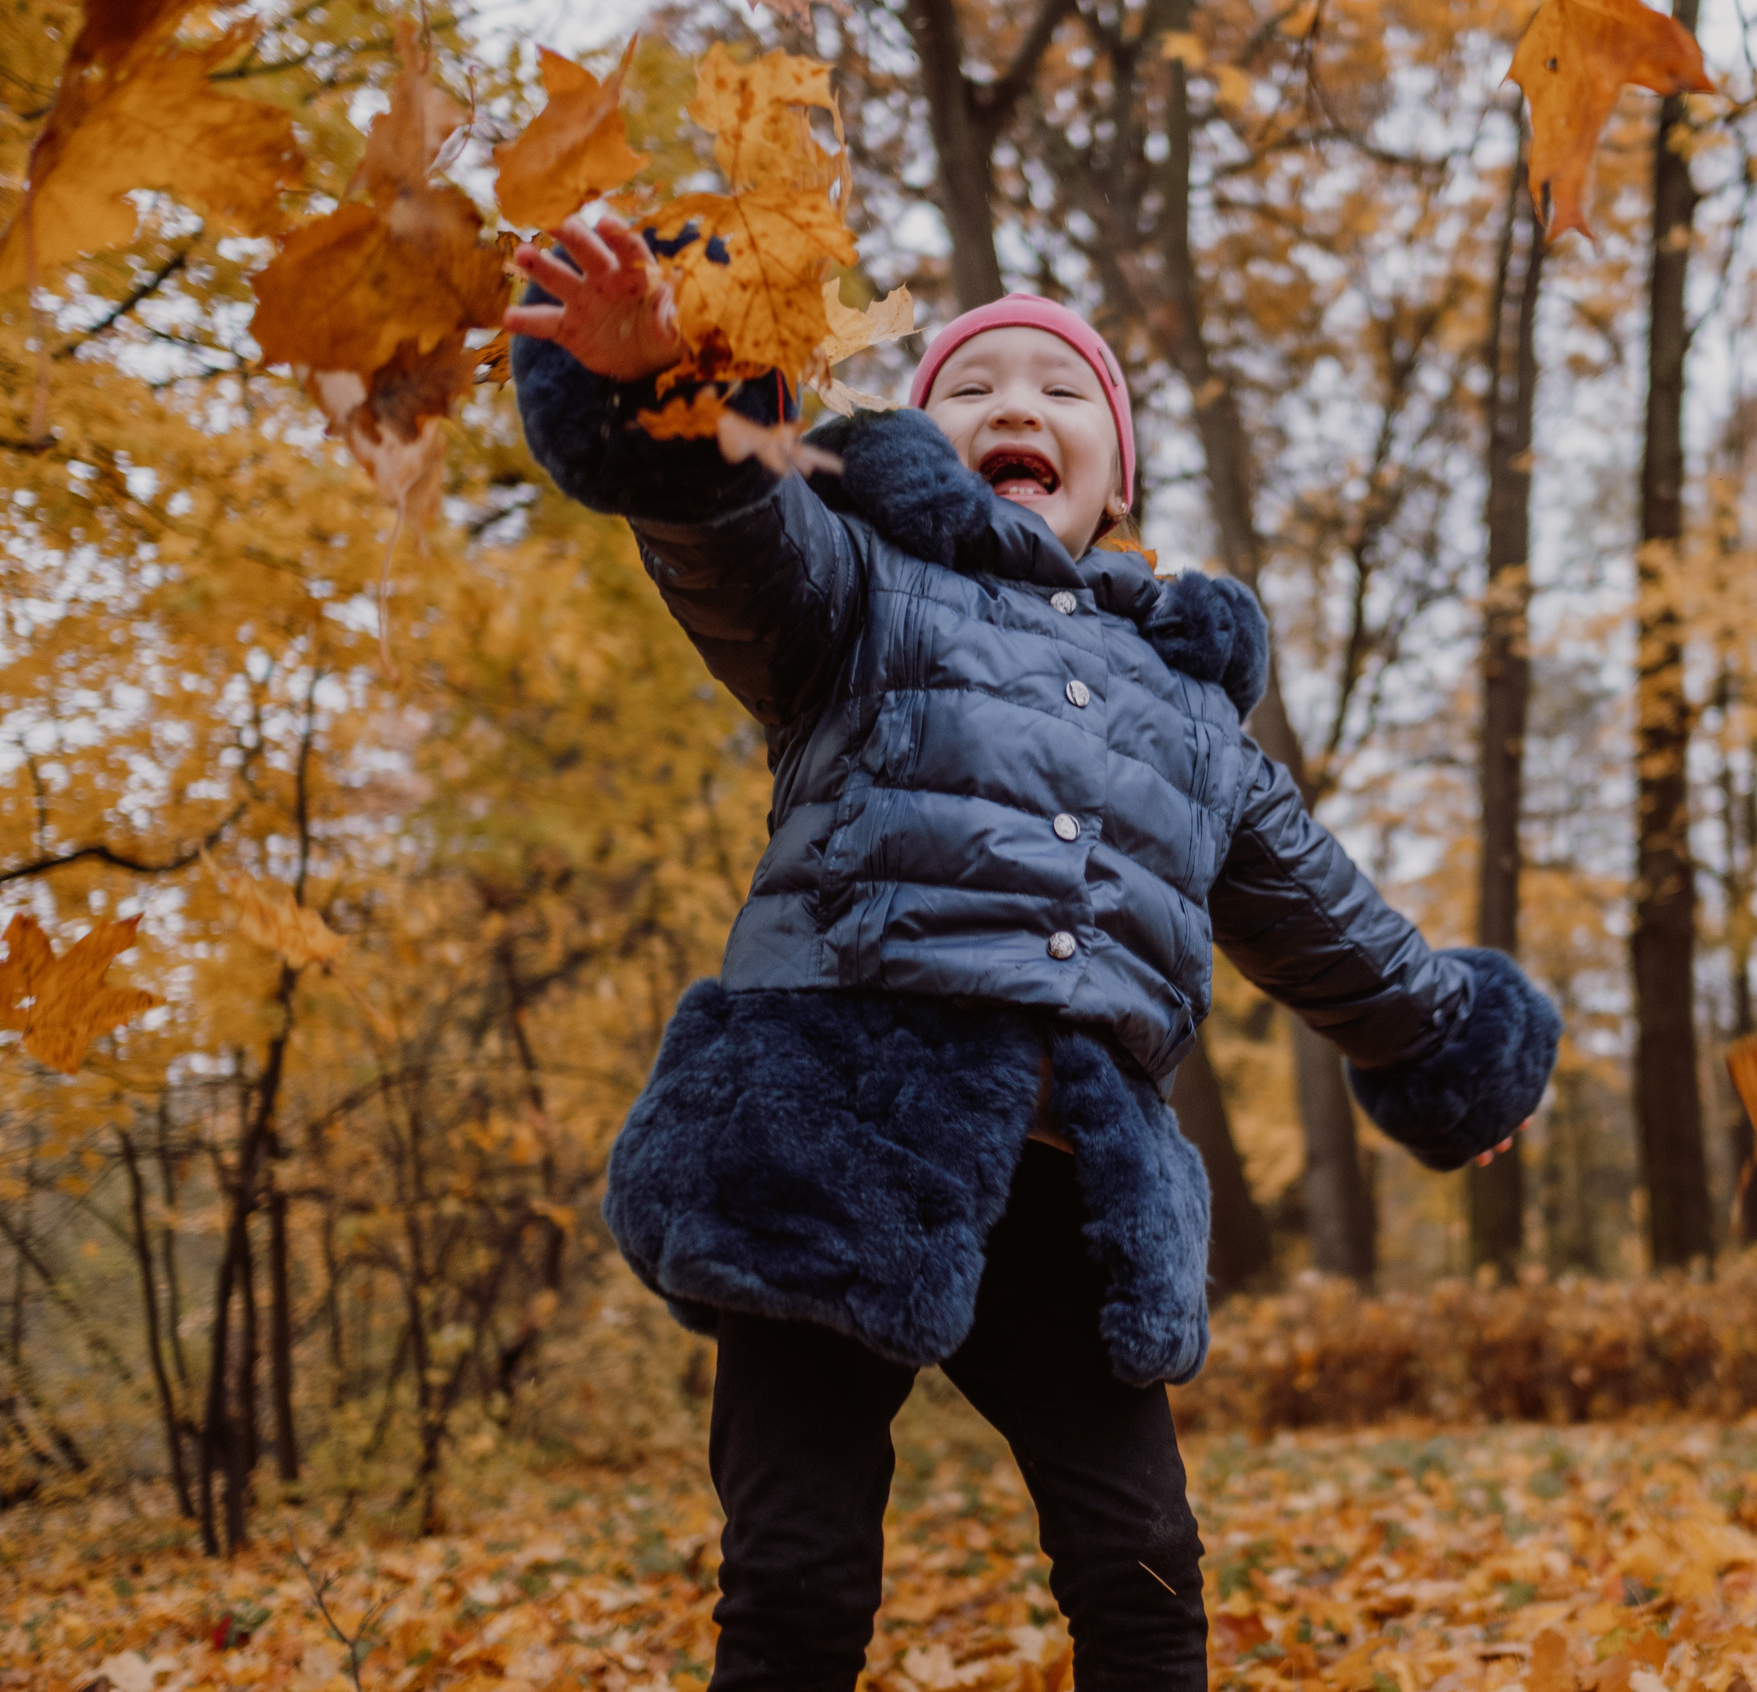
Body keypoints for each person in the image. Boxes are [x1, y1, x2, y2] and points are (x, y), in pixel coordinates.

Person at [502, 216, 1562, 1692]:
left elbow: (1332, 921)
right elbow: (732, 535)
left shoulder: (1190, 714)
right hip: (832, 1141)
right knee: (799, 1576)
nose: (1018, 406)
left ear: (1119, 477)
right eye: (974, 384)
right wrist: (671, 393)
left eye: (1064, 393)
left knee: (1143, 1572)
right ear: (916, 438)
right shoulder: (862, 594)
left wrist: (1445, 1054)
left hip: (1075, 1184)